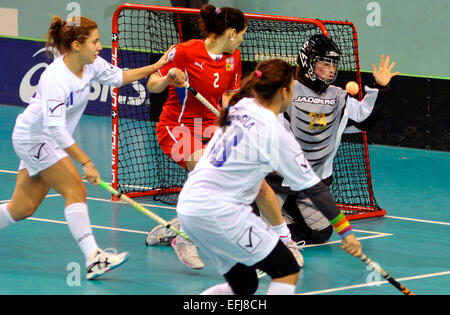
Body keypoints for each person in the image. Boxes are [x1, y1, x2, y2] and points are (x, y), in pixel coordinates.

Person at [0, 16, 172, 280]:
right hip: (35, 139)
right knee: (75, 190)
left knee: (22, 208)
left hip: (47, 140)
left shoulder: (90, 64)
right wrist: (86, 162)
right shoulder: (55, 78)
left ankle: (94, 258)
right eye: (95, 41)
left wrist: (156, 66)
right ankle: (94, 258)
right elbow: (55, 129)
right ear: (78, 45)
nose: (99, 46)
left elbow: (119, 77)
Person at [176, 59, 362, 295]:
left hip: (189, 207)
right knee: (287, 269)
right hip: (220, 213)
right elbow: (315, 188)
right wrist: (346, 232)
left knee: (244, 285)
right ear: (284, 92)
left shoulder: (239, 107)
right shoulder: (275, 132)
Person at [145, 4, 303, 271]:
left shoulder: (234, 57)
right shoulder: (184, 52)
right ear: (230, 33)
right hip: (177, 127)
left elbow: (229, 95)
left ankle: (284, 241)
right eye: (241, 33)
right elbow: (152, 84)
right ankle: (185, 239)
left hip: (211, 126)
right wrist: (169, 79)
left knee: (259, 182)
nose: (242, 38)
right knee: (208, 169)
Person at [255, 34, 399, 245]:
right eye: (325, 63)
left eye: (334, 64)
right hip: (275, 181)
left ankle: (285, 216)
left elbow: (364, 120)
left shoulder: (338, 96)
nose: (332, 69)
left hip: (310, 181)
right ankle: (263, 212)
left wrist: (380, 87)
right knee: (260, 227)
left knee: (321, 233)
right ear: (307, 62)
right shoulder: (286, 91)